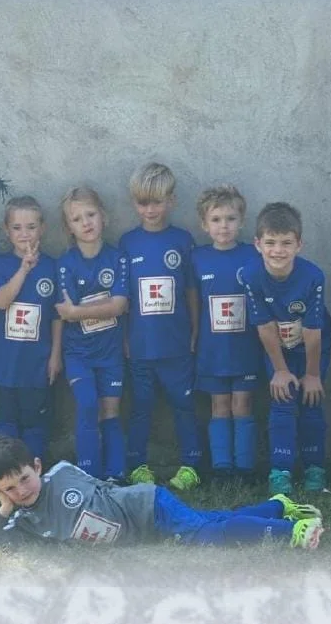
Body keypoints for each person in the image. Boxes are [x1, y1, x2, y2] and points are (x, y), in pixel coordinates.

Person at [0, 435, 324, 551]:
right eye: (9, 489)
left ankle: (292, 531)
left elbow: (102, 489)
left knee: (205, 536)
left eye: (24, 478)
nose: (21, 490)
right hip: (144, 530)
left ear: (37, 466)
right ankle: (276, 507)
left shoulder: (61, 473)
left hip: (145, 505)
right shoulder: (21, 521)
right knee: (209, 520)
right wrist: (4, 508)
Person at [119, 163, 203, 490]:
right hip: (140, 346)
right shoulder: (127, 243)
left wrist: (194, 330)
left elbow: (191, 291)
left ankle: (191, 465)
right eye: (143, 203)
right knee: (140, 406)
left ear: (172, 201)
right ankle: (137, 464)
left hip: (177, 345)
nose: (150, 209)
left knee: (184, 404)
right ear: (134, 203)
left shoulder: (183, 240)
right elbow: (124, 298)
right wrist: (125, 338)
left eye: (157, 202)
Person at [242, 202, 331, 497]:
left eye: (286, 243)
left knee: (310, 398)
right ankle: (280, 471)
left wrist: (312, 374)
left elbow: (314, 330)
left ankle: (315, 469)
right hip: (277, 348)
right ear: (258, 244)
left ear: (299, 245)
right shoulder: (251, 276)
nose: (278, 251)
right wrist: (280, 370)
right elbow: (265, 327)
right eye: (270, 243)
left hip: (311, 346)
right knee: (282, 398)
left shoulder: (313, 276)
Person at [54, 186, 129, 481]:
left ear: (104, 216)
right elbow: (64, 311)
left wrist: (78, 312)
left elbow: (120, 306)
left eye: (91, 214)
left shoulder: (117, 258)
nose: (86, 223)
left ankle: (115, 475)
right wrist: (101, 307)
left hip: (110, 351)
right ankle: (89, 475)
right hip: (79, 353)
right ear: (68, 227)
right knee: (87, 405)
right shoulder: (65, 264)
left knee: (111, 410)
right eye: (77, 219)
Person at [190, 185, 263, 481]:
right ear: (204, 225)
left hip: (245, 348)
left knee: (242, 404)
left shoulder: (252, 255)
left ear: (242, 221)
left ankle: (245, 468)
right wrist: (195, 335)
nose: (224, 226)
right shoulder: (197, 258)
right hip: (213, 351)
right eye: (216, 219)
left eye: (231, 219)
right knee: (219, 406)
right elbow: (193, 303)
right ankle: (222, 468)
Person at [0, 195, 63, 463]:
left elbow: (56, 316)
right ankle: (5, 474)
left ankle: (33, 474)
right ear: (7, 230)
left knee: (36, 425)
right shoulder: (1, 264)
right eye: (17, 228)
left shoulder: (52, 267)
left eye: (31, 227)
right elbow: (1, 302)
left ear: (42, 228)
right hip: (5, 366)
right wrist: (23, 270)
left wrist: (55, 355)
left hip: (37, 366)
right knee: (5, 424)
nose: (25, 234)